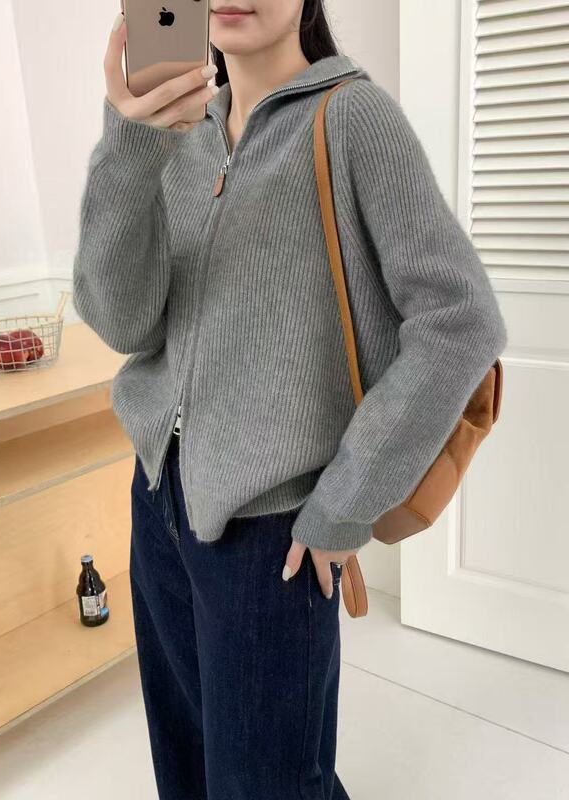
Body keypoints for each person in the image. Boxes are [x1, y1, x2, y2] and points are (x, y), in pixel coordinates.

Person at [72, 2, 508, 798]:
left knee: (266, 784)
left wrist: (343, 505)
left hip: (272, 535)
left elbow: (461, 320)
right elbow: (122, 320)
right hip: (159, 499)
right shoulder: (176, 135)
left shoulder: (356, 119)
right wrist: (129, 142)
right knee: (187, 765)